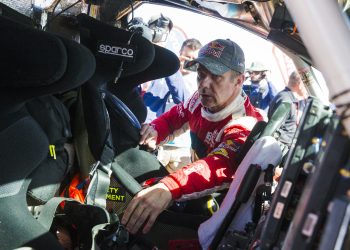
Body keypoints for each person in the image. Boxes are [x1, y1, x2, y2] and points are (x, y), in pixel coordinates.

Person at [121, 39, 264, 234]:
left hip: (221, 208)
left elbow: (220, 165)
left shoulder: (245, 122)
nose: (204, 84)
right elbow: (173, 119)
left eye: (215, 76)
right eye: (201, 75)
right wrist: (154, 130)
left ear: (238, 81)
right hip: (195, 186)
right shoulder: (198, 100)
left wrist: (169, 187)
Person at [142, 15, 189, 122]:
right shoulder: (136, 57)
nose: (159, 38)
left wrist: (172, 65)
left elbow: (184, 101)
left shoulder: (168, 73)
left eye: (164, 35)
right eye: (156, 32)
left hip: (146, 128)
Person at [267, 70, 308, 155]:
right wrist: (292, 143)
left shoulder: (288, 98)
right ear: (300, 84)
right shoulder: (286, 101)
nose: (307, 89)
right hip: (278, 150)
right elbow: (275, 130)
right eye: (306, 85)